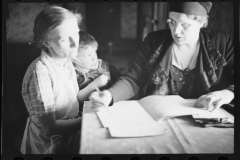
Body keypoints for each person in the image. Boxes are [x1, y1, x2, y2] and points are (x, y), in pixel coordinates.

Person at [89, 2, 234, 113]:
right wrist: (109, 95)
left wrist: (227, 93)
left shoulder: (222, 43)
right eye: (172, 22)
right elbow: (133, 79)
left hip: (206, 117)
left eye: (185, 25)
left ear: (203, 22)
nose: (176, 31)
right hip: (160, 117)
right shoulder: (154, 41)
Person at [21, 5, 83, 154]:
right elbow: (50, 129)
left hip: (67, 134)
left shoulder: (65, 59)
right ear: (47, 42)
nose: (75, 43)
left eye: (76, 33)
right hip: (48, 145)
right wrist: (88, 119)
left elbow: (71, 99)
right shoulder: (40, 71)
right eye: (64, 39)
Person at [71, 31, 121, 106]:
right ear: (74, 58)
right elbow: (78, 99)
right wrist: (95, 84)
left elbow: (120, 79)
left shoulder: (104, 65)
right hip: (88, 109)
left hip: (111, 103)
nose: (94, 58)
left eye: (94, 52)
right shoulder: (73, 74)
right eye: (88, 55)